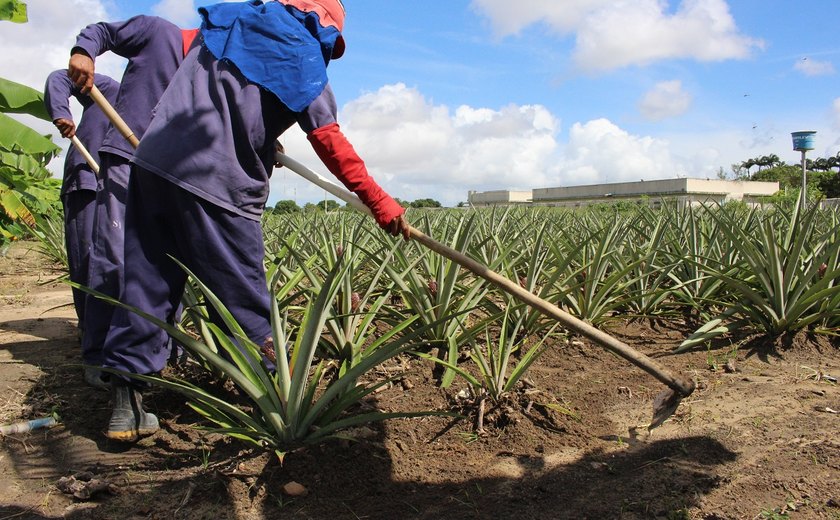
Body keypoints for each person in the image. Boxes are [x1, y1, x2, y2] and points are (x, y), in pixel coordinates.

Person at [94, 0, 410, 442]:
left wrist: (260, 139)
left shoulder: (227, 22)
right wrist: (379, 201)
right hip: (217, 184)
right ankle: (281, 405)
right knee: (244, 296)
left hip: (152, 166)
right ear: (323, 27)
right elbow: (327, 138)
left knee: (148, 283)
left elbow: (214, 98)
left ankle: (127, 405)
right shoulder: (301, 57)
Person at [66, 16, 200, 394]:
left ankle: (162, 347)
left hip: (172, 170)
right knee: (113, 258)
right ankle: (96, 354)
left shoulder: (211, 67)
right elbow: (101, 31)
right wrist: (83, 51)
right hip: (127, 156)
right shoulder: (158, 31)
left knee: (167, 262)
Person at [43, 70, 120, 390]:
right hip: (87, 179)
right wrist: (61, 111)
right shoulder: (111, 89)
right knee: (89, 263)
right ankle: (94, 343)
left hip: (125, 188)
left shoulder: (168, 110)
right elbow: (60, 78)